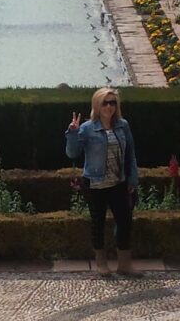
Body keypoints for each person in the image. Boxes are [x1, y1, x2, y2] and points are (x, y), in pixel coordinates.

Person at [65, 87, 142, 278]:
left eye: (112, 103)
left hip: (118, 182)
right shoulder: (87, 128)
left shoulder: (123, 125)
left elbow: (131, 153)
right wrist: (72, 133)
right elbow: (72, 153)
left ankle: (124, 264)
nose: (109, 107)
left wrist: (132, 178)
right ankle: (101, 263)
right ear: (97, 105)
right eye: (105, 103)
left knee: (124, 222)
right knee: (97, 222)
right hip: (95, 184)